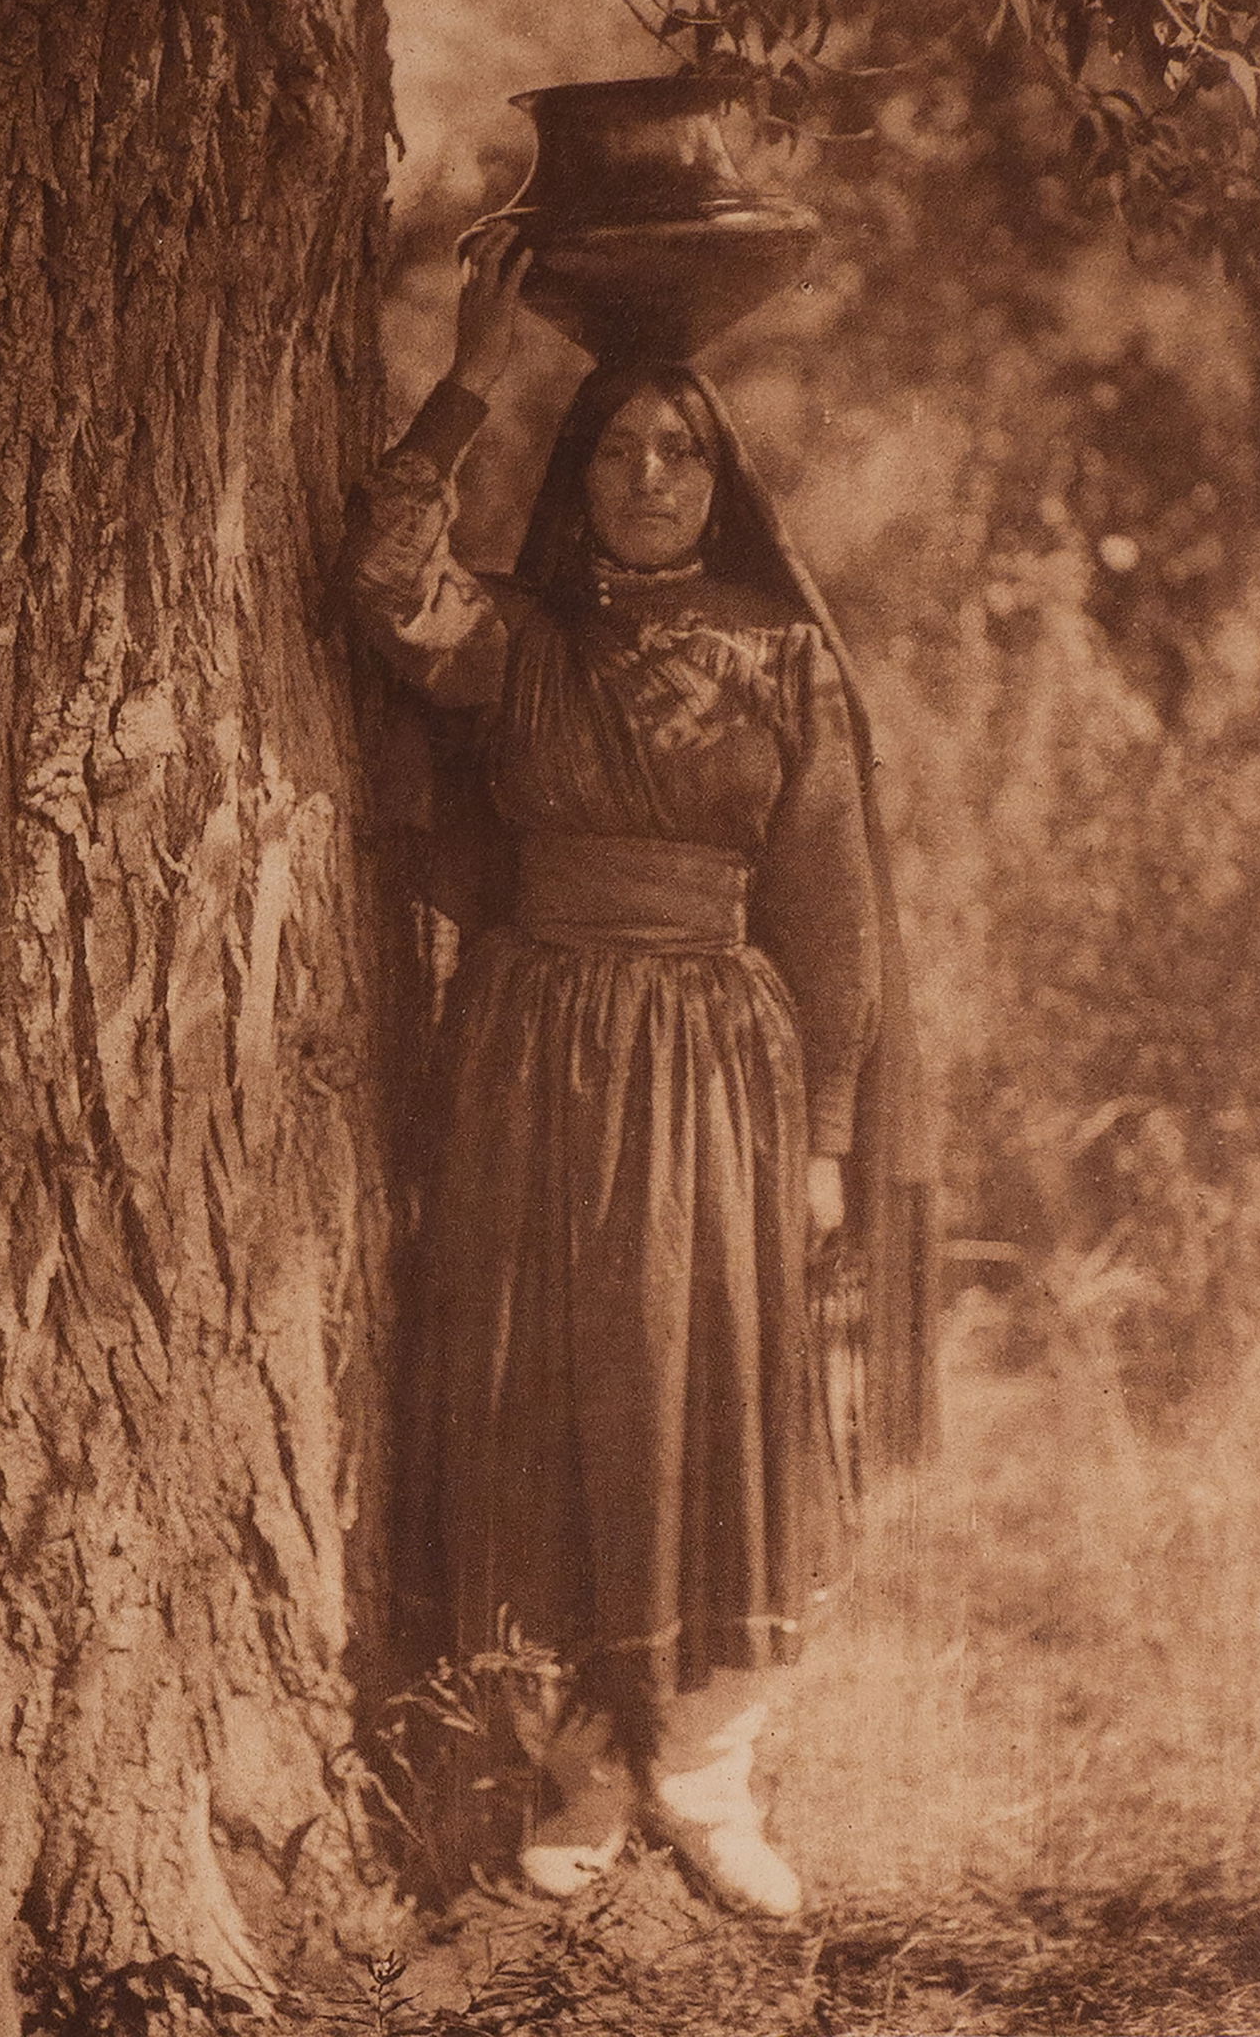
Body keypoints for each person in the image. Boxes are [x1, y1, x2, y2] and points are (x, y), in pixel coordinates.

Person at [341, 225, 934, 1913]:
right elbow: (385, 581)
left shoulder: (780, 654)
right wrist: (467, 380)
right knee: (547, 1383)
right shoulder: (518, 644)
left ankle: (706, 1768)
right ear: (580, 473)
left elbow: (830, 907)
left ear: (720, 474)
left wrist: (823, 1133)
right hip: (532, 1059)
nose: (651, 474)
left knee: (711, 1382)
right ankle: (579, 1763)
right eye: (617, 447)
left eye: (680, 449)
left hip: (718, 1071)